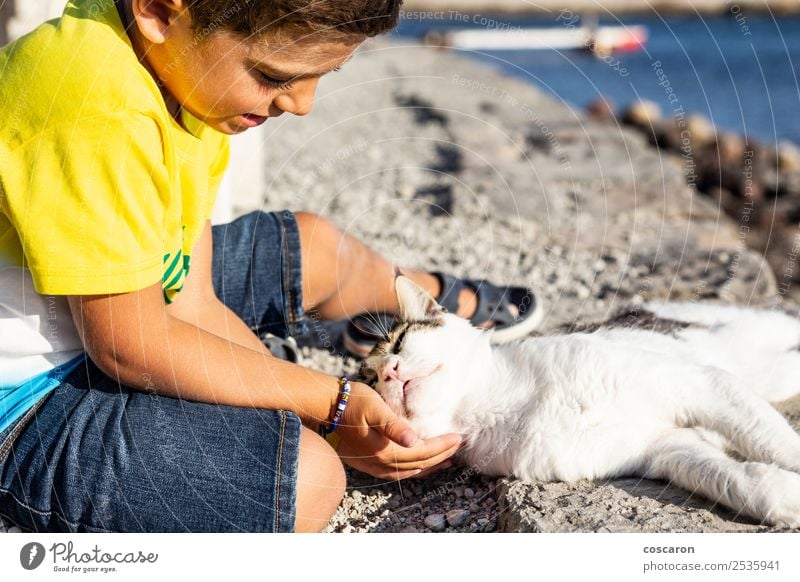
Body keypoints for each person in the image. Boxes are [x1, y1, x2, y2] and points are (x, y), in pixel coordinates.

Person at [0, 0, 541, 533]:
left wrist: (296, 401)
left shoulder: (187, 75)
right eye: (272, 75)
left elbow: (192, 299)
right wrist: (331, 408)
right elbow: (127, 345)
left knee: (316, 247)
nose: (302, 103)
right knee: (305, 479)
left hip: (123, 306)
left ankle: (437, 307)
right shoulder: (99, 105)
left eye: (321, 76)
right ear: (160, 13)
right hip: (26, 395)